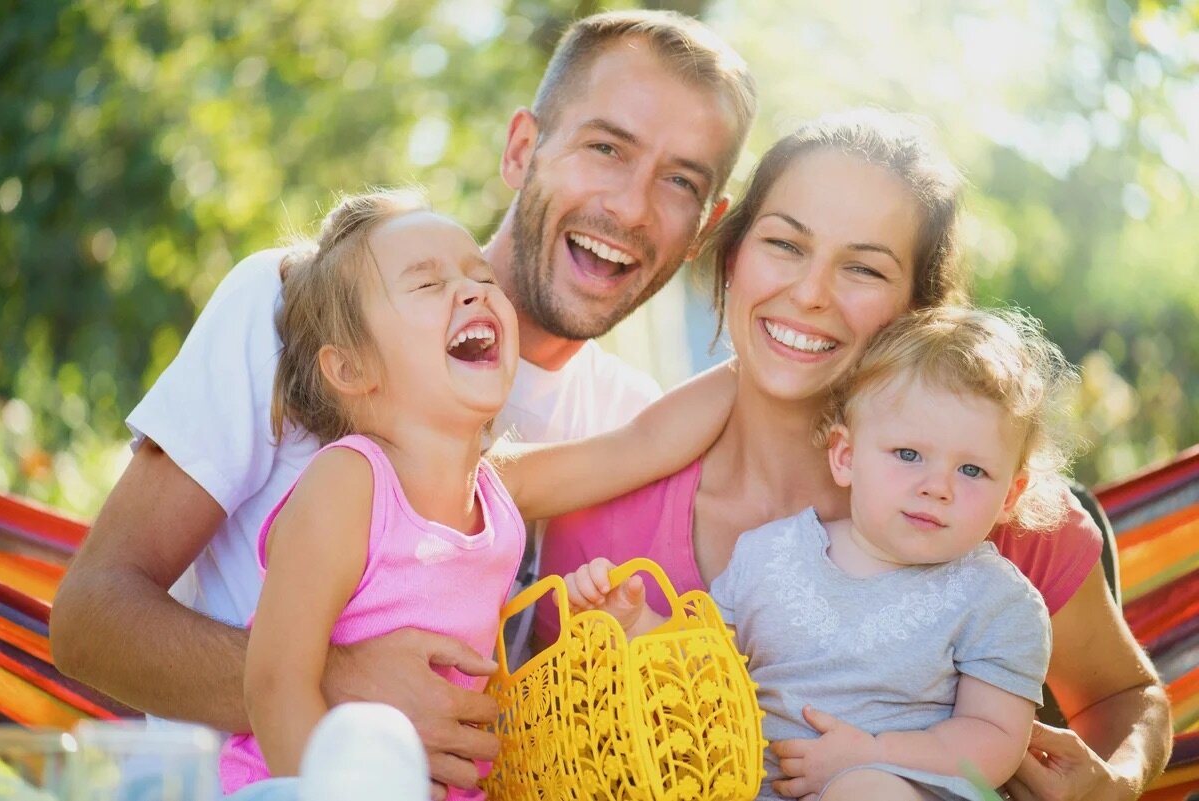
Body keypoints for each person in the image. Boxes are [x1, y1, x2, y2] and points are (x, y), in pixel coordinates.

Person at [48, 10, 756, 799]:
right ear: (523, 148)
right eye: (606, 148)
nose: (630, 207)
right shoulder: (299, 306)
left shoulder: (628, 422)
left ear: (705, 229)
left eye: (681, 181)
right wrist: (346, 685)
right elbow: (89, 621)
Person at [538, 110, 1172, 801]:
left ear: (916, 311)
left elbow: (1127, 694)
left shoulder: (995, 513)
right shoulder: (603, 533)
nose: (811, 293)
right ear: (731, 257)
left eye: (864, 268)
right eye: (784, 244)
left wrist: (1117, 780)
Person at [213, 191, 732, 798]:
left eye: (481, 276)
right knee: (364, 748)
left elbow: (641, 446)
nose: (472, 290)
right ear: (351, 369)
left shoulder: (495, 488)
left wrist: (770, 350)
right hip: (295, 784)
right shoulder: (349, 483)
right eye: (428, 285)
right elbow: (274, 682)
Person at [566, 305, 1076, 800]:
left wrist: (871, 754)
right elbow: (701, 671)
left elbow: (991, 743)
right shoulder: (770, 555)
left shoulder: (997, 600)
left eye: (972, 471)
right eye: (908, 455)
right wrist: (634, 626)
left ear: (1009, 494)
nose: (937, 487)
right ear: (846, 456)